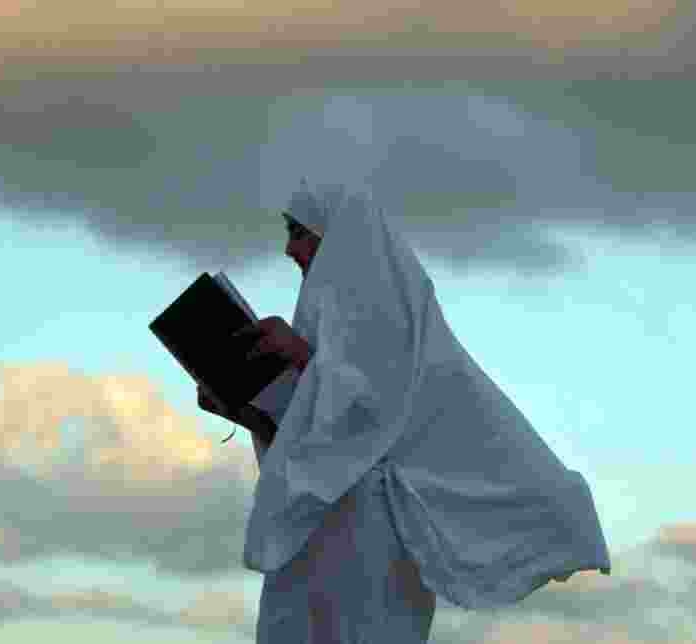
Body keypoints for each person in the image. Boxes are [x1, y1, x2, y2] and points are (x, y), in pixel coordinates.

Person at [198, 181, 612, 644]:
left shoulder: (394, 307)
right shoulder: (320, 316)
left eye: (299, 232)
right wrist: (243, 411)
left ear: (338, 234)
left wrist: (302, 358)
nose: (290, 249)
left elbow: (377, 415)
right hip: (310, 537)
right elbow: (310, 441)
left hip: (374, 538)